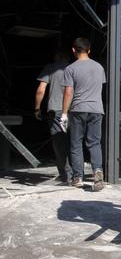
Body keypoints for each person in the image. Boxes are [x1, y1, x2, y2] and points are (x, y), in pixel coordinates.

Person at [61, 37, 106, 191]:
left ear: (73, 50)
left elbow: (68, 93)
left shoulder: (70, 69)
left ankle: (78, 177)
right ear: (89, 50)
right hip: (96, 109)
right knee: (94, 142)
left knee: (76, 143)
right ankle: (97, 172)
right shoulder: (99, 67)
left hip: (78, 109)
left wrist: (64, 114)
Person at [35, 47, 73, 183]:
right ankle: (76, 173)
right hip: (73, 110)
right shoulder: (73, 68)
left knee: (59, 142)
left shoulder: (51, 68)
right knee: (74, 141)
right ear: (69, 57)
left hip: (56, 109)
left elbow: (41, 90)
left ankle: (65, 175)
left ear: (57, 55)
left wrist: (37, 108)